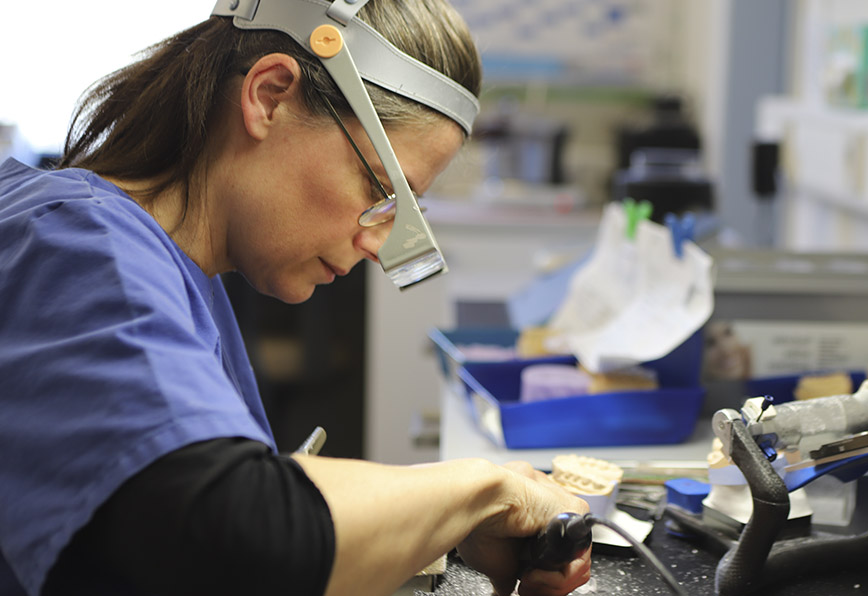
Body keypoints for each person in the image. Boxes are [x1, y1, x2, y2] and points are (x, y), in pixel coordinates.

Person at [0, 1, 591, 595]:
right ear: (270, 97)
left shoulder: (173, 269)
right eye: (380, 191)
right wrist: (485, 491)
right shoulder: (74, 250)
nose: (377, 245)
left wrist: (439, 522)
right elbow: (236, 537)